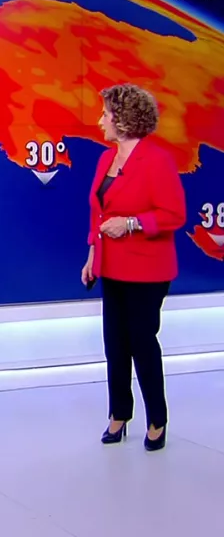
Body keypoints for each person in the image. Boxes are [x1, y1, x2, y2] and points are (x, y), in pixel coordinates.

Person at [81, 83, 186, 452]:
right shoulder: (105, 160)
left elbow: (174, 214)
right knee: (115, 343)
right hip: (111, 266)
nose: (100, 121)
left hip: (147, 270)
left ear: (123, 120)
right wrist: (92, 254)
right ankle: (119, 415)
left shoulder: (157, 161)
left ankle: (157, 419)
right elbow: (98, 213)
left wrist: (131, 224)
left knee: (142, 342)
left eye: (105, 115)